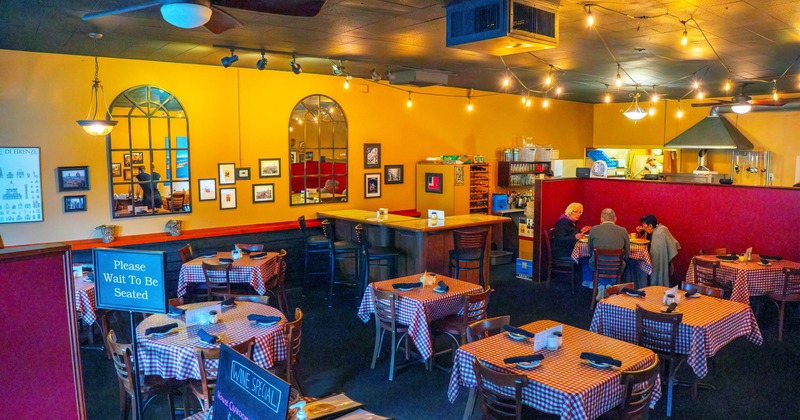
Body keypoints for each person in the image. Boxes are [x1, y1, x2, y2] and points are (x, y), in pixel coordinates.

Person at [587, 208, 630, 299]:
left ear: (601, 219)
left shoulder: (594, 230)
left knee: (593, 262)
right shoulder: (623, 231)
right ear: (615, 219)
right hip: (616, 267)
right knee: (623, 264)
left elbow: (589, 250)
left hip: (598, 266)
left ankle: (601, 285)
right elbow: (627, 254)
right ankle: (610, 287)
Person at [639, 214, 680, 287]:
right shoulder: (662, 228)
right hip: (664, 259)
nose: (643, 228)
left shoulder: (658, 234)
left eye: (644, 226)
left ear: (650, 226)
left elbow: (654, 254)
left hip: (658, 260)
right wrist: (643, 231)